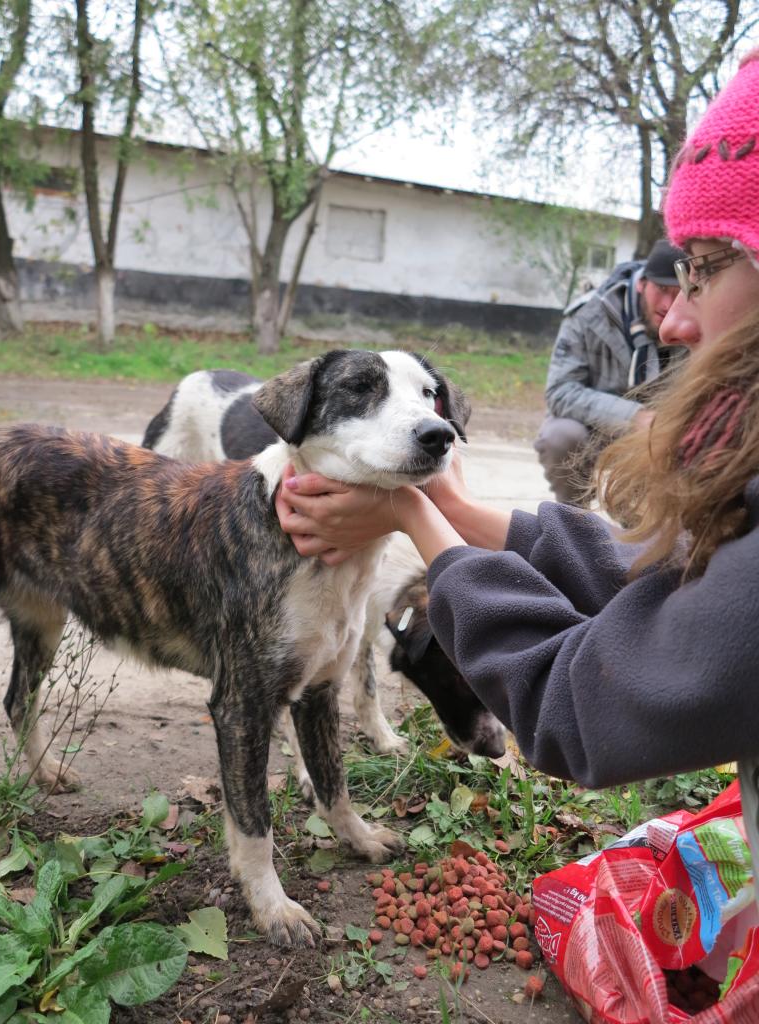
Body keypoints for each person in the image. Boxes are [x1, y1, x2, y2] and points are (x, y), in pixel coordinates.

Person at [274, 51, 759, 846]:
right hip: (591, 428)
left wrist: (418, 518)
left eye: (705, 271)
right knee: (564, 435)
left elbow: (581, 707)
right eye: (677, 280)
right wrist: (457, 510)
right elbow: (681, 582)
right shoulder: (591, 319)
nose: (676, 322)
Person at [534, 238, 686, 503]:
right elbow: (560, 392)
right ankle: (573, 521)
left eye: (679, 292)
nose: (668, 304)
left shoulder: (693, 322)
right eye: (661, 289)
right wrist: (634, 416)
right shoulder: (589, 314)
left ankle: (638, 522)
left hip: (657, 437)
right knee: (560, 436)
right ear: (642, 283)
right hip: (595, 429)